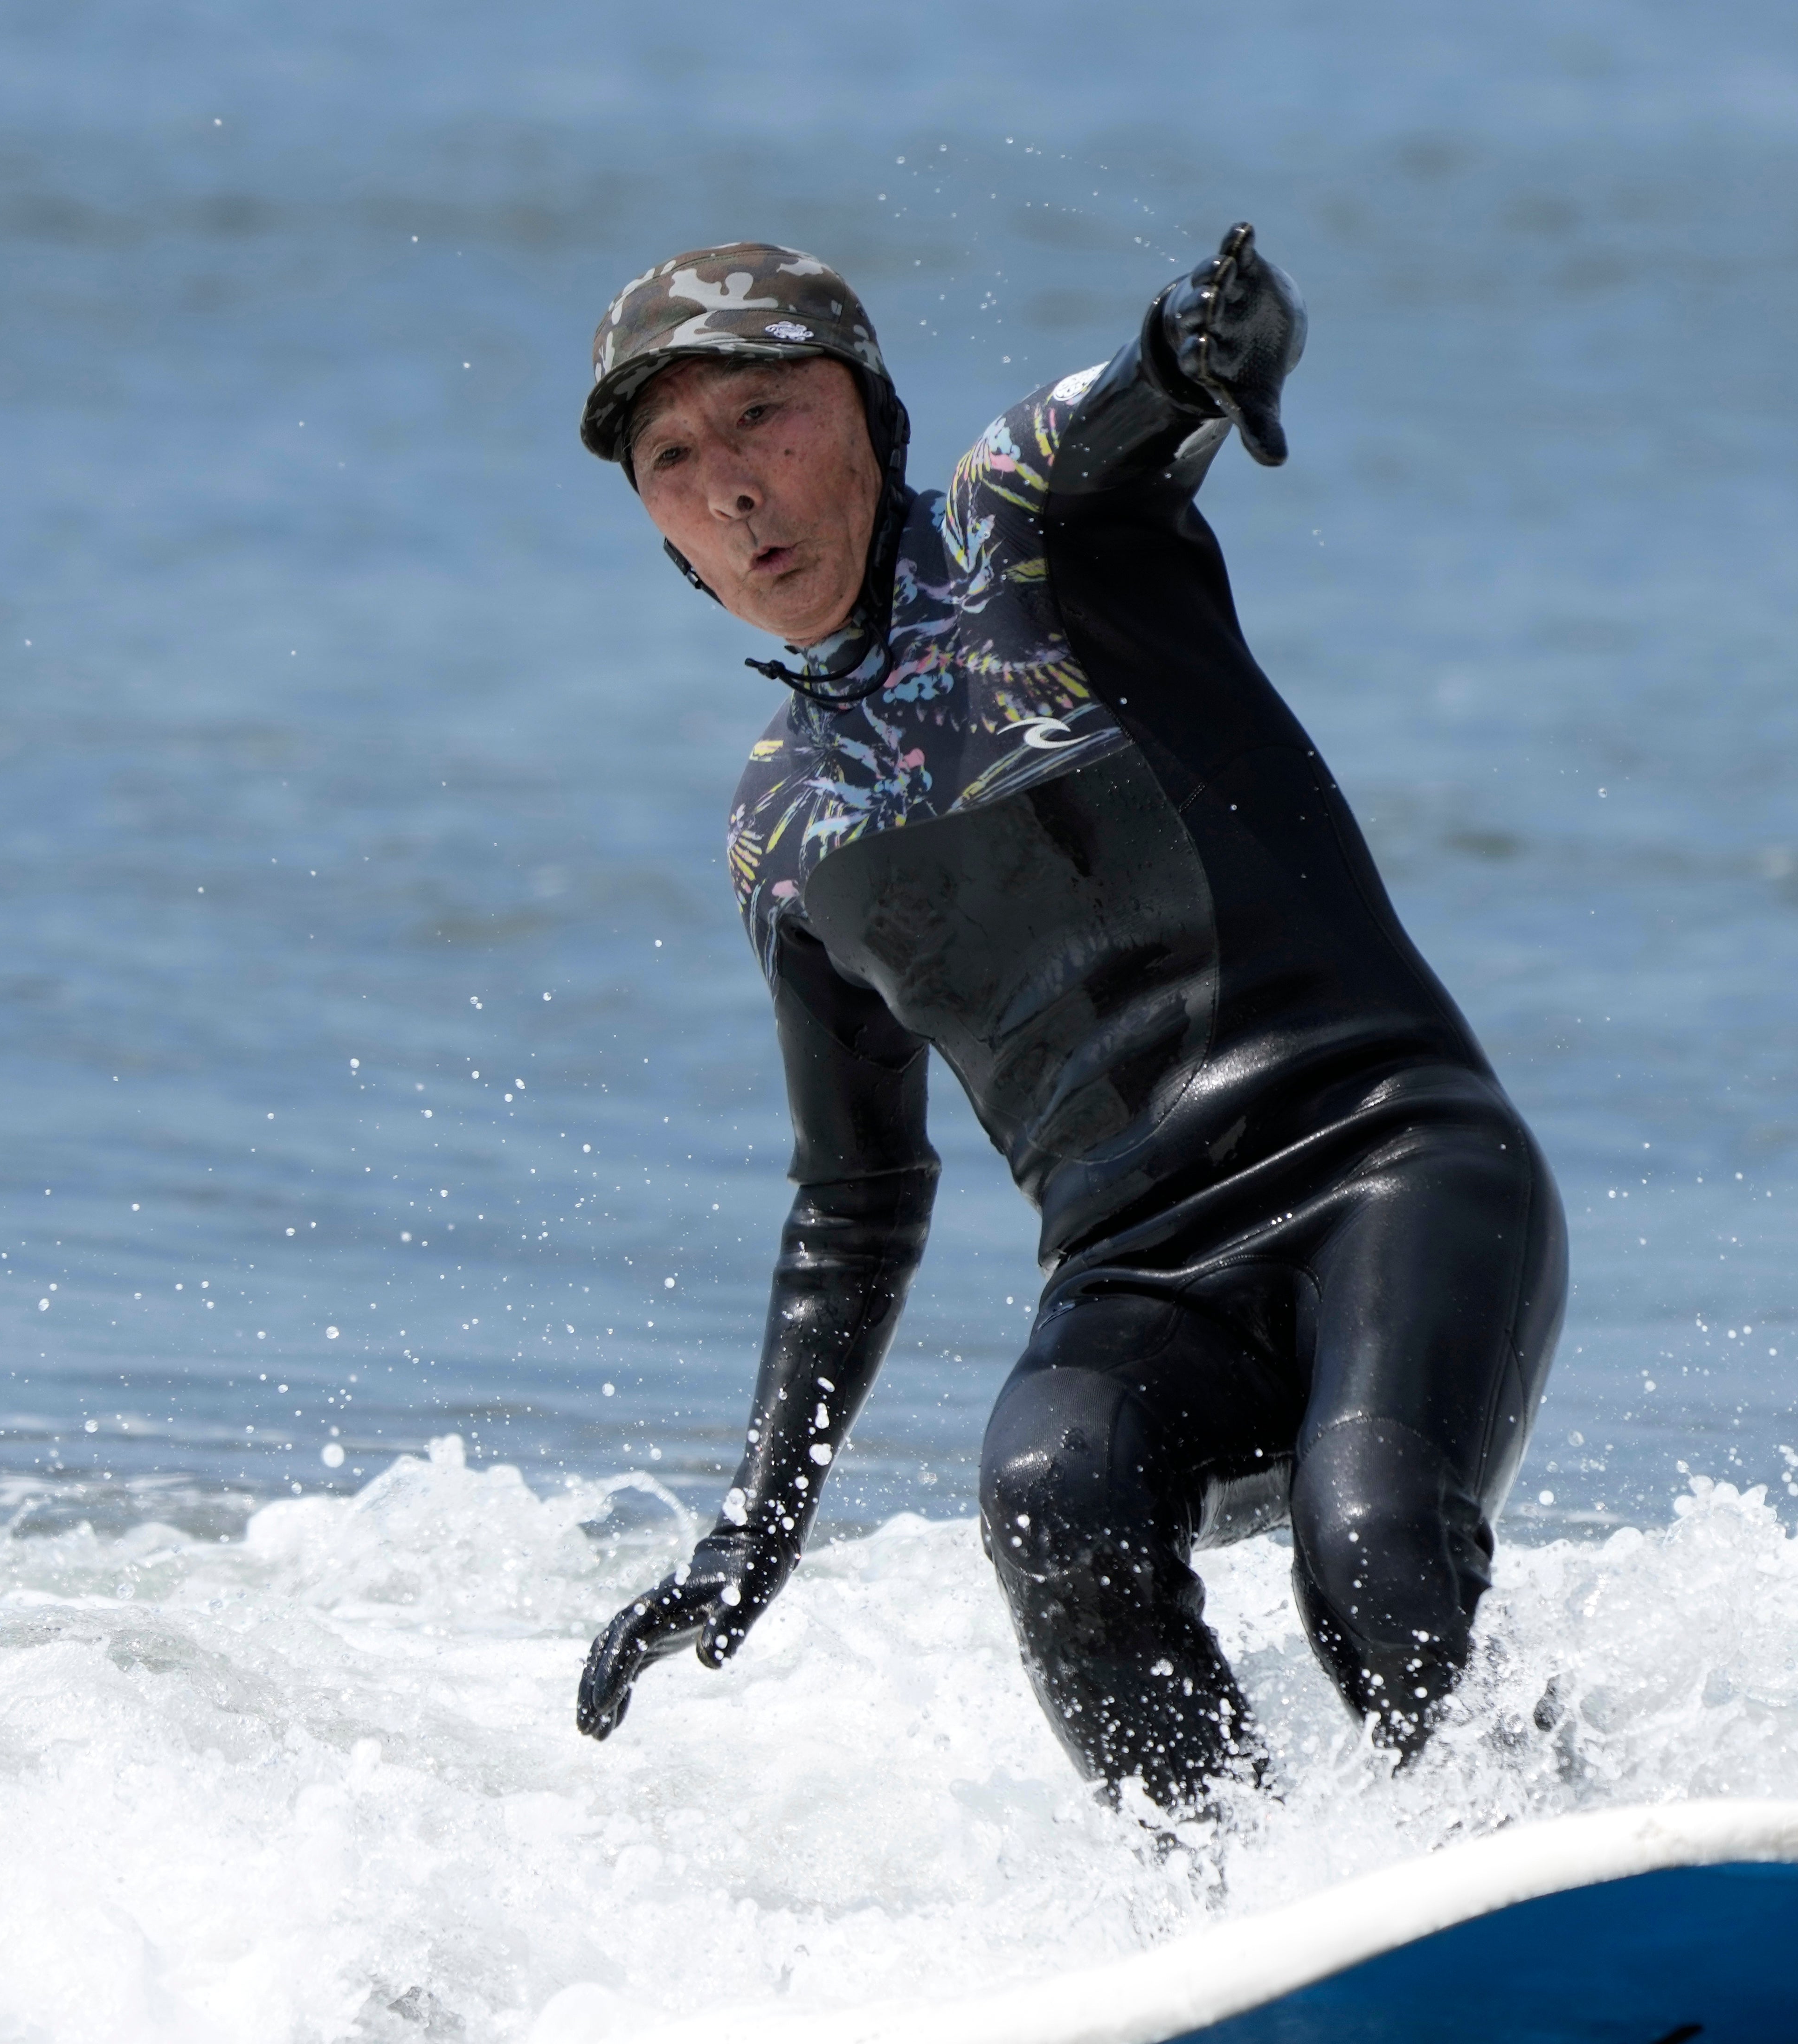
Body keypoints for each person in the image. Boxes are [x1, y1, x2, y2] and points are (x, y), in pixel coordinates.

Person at [563, 228, 1566, 1809]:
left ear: (869, 415)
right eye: (673, 459)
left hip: (1389, 1166)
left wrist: (1215, 337)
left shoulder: (1022, 520)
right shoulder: (784, 832)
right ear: (661, 532)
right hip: (1140, 1276)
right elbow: (856, 1198)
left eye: (766, 415)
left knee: (1367, 1539)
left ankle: (1549, 1843)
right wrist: (756, 1520)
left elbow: (1167, 379)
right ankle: (1238, 1930)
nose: (731, 484)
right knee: (1050, 1497)